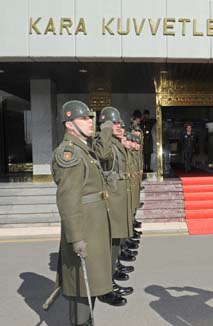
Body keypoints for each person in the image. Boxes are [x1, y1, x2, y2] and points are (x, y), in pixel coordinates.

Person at [51, 100, 114, 325]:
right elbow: (68, 200)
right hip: (84, 228)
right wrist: (76, 237)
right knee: (81, 289)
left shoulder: (83, 150)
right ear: (69, 124)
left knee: (93, 285)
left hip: (93, 226)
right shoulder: (70, 154)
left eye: (90, 118)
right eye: (84, 118)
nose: (90, 122)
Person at [95, 106, 134, 304]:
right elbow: (103, 155)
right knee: (109, 246)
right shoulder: (103, 142)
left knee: (115, 244)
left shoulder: (116, 143)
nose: (120, 127)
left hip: (119, 198)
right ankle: (105, 287)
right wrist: (106, 129)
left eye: (118, 123)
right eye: (115, 123)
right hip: (111, 201)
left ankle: (110, 279)